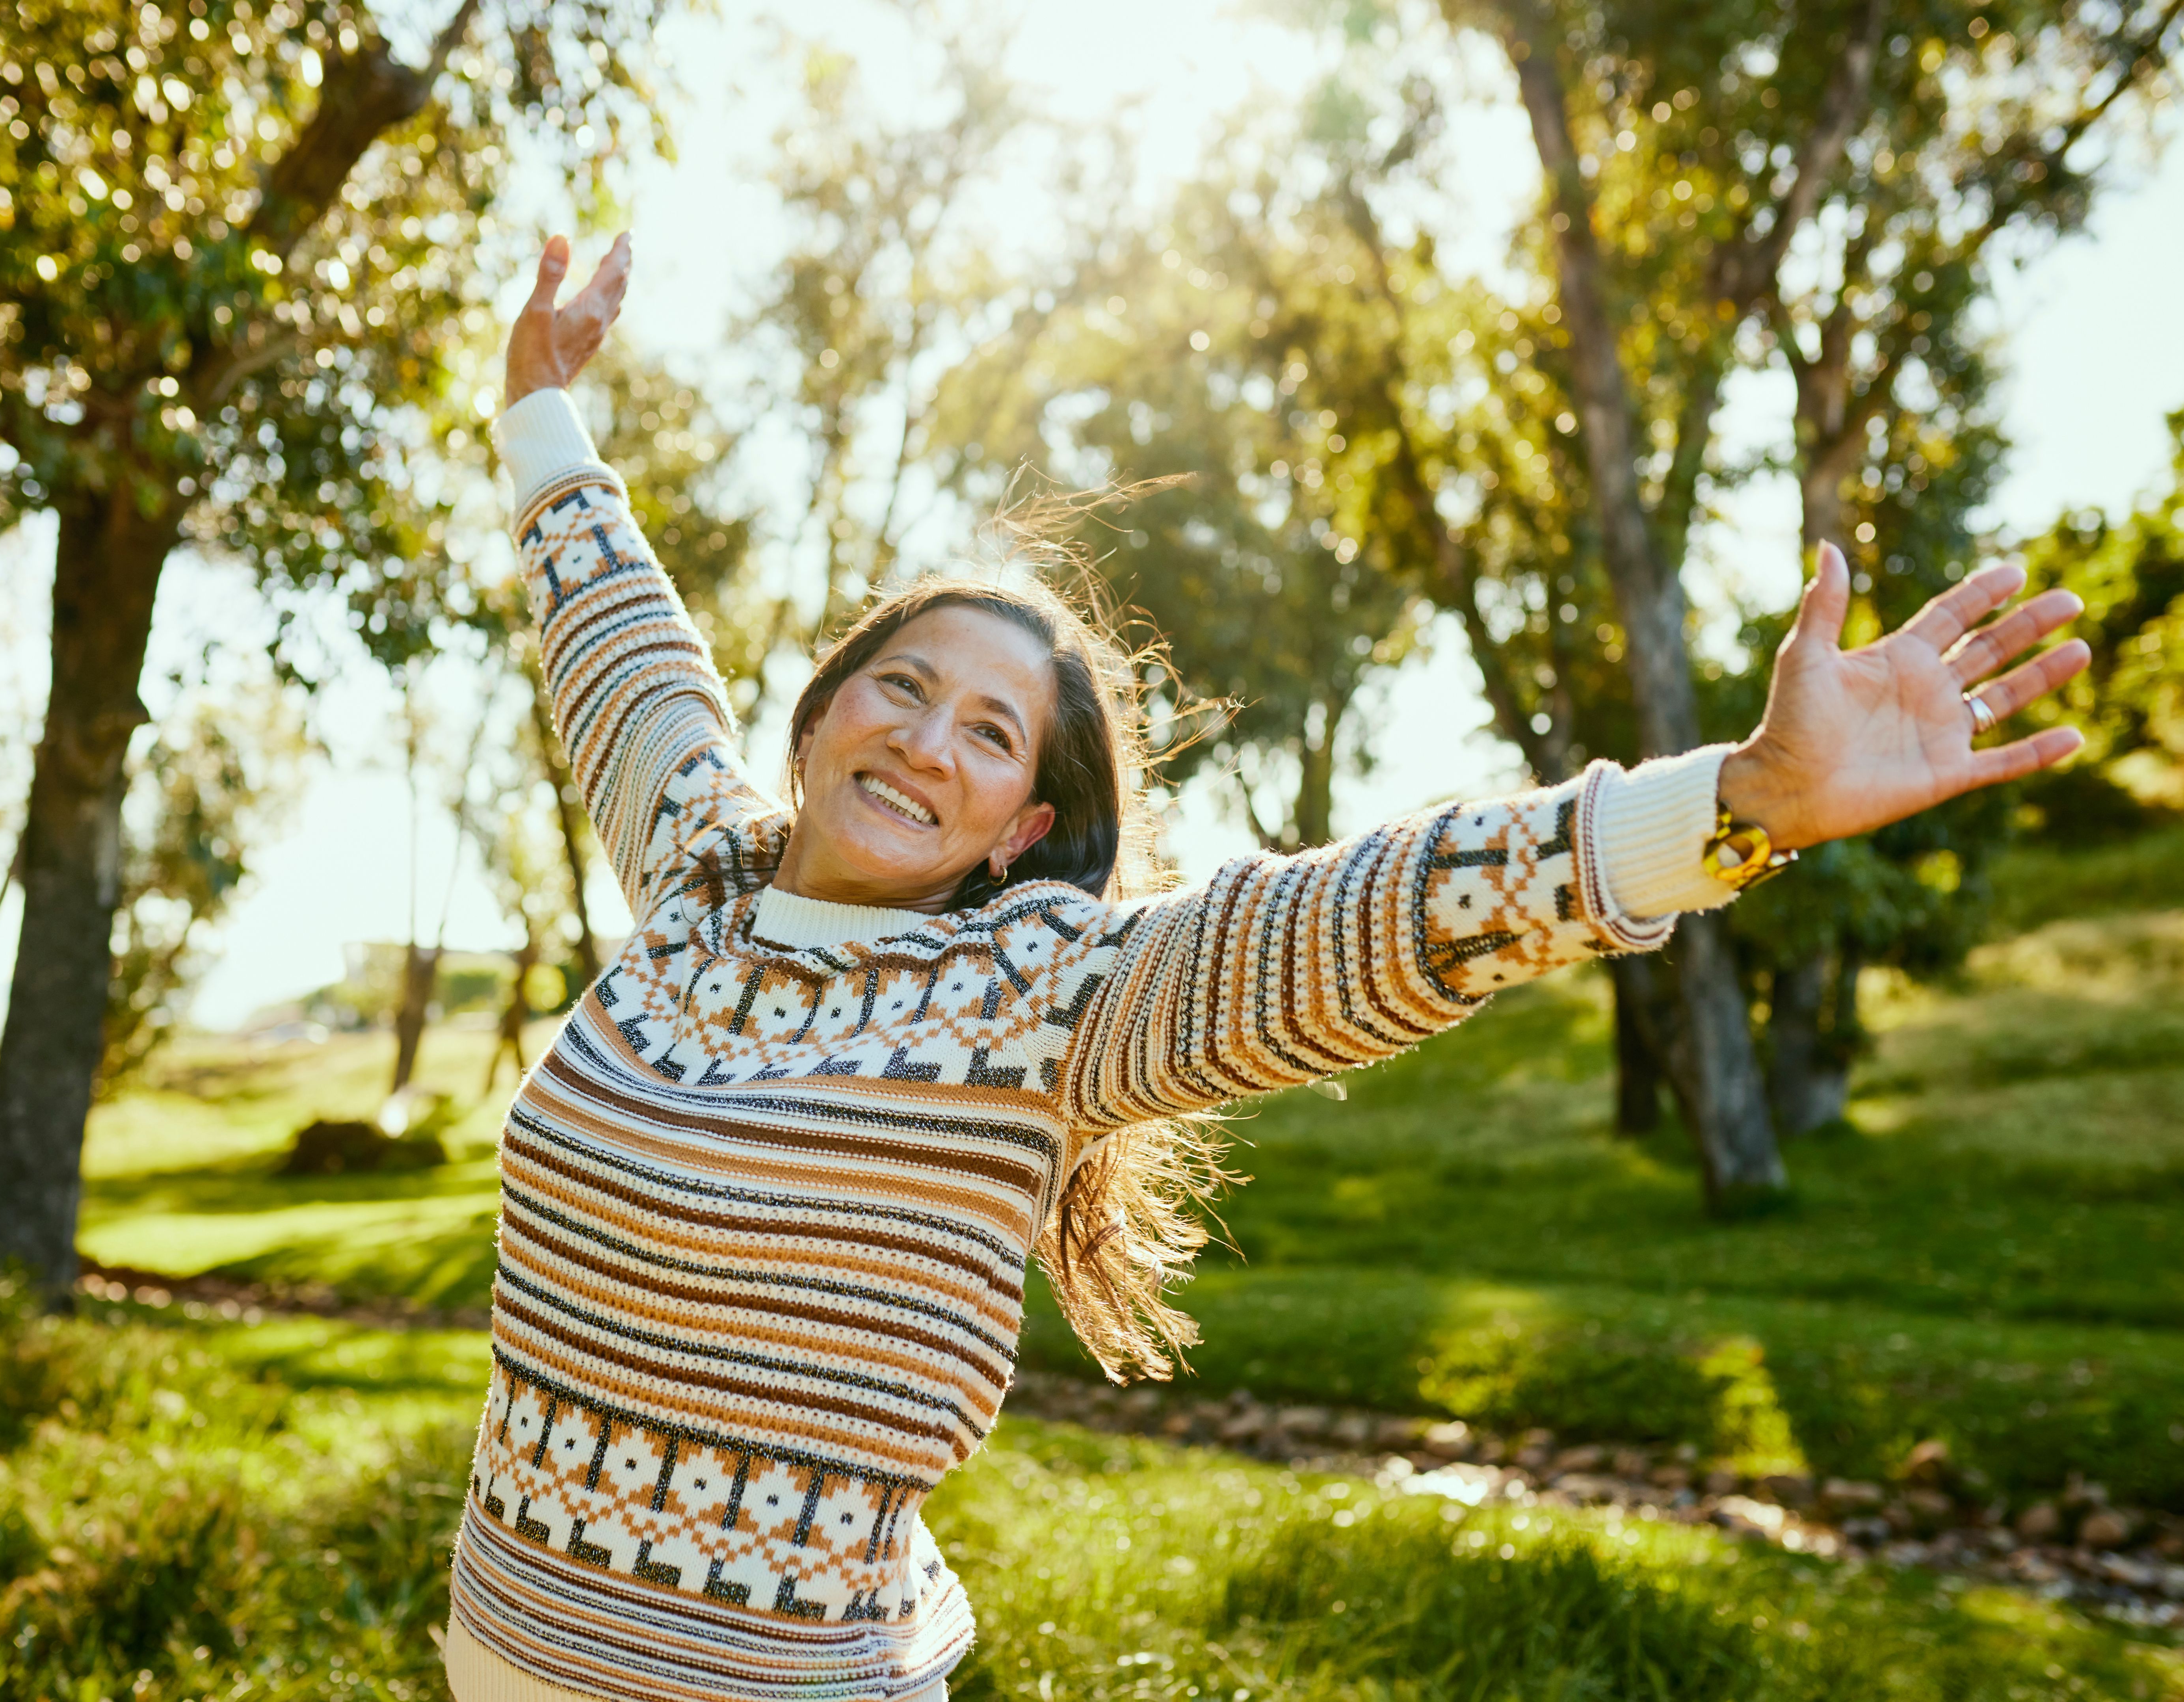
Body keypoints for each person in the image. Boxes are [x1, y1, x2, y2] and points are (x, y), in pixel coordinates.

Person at [440, 233, 2091, 1702]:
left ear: (1022, 827)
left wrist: (1739, 803)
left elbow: (1367, 914)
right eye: (901, 686)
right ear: (823, 709)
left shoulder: (1044, 998)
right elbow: (617, 633)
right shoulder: (695, 871)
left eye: (990, 732)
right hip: (498, 1642)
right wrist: (538, 403)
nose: (925, 741)